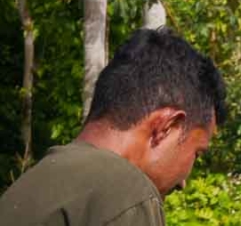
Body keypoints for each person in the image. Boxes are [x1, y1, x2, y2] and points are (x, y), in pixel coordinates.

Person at [0, 28, 226, 226]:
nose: (184, 182)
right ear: (166, 126)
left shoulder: (36, 183)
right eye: (196, 153)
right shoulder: (127, 193)